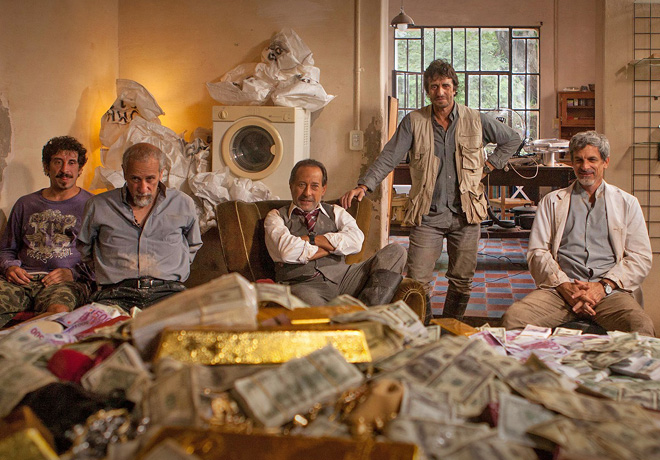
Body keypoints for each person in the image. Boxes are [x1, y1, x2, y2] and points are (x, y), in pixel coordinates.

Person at [340, 59, 521, 321]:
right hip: (427, 215)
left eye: (445, 85)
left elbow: (512, 138)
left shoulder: (475, 119)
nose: (440, 92)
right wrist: (364, 185)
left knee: (462, 280)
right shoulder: (414, 121)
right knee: (417, 281)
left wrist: (491, 165)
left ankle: (449, 328)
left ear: (454, 88)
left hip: (466, 214)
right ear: (427, 90)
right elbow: (390, 156)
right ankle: (425, 331)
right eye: (434, 86)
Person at [502, 131, 655, 336]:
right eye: (579, 160)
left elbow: (640, 257)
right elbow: (537, 252)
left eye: (592, 159)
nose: (585, 167)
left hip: (610, 293)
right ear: (572, 163)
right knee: (513, 319)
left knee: (642, 327)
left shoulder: (627, 203)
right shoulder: (552, 202)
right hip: (561, 292)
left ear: (605, 162)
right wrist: (565, 286)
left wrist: (602, 287)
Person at [265, 159, 407, 307]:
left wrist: (312, 240)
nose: (307, 193)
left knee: (396, 252)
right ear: (291, 186)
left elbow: (356, 241)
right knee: (318, 312)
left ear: (323, 189)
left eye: (314, 186)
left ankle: (367, 313)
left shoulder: (335, 211)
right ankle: (356, 316)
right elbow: (287, 252)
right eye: (301, 185)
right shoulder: (275, 217)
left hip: (345, 278)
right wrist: (334, 248)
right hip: (303, 285)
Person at [78, 143, 202, 311]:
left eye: (150, 179)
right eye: (135, 179)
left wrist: (172, 268)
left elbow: (193, 244)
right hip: (114, 295)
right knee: (96, 325)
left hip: (169, 293)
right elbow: (85, 249)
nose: (143, 188)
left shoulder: (183, 203)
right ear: (124, 172)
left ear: (161, 173)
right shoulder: (98, 205)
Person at [0, 136, 93, 326]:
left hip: (66, 283)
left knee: (58, 314)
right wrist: (9, 267)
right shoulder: (25, 204)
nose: (65, 170)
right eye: (58, 162)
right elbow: (6, 249)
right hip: (23, 279)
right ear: (46, 166)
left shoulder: (93, 206)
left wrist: (73, 274)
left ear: (80, 169)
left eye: (72, 163)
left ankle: (12, 337)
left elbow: (103, 257)